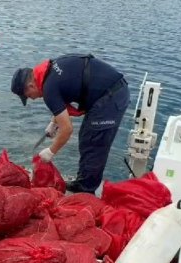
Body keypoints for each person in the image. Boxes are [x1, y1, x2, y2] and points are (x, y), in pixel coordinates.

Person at [10, 54, 129, 194]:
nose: (33, 99)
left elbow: (67, 129)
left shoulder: (49, 89)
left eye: (29, 96)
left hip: (111, 96)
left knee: (93, 142)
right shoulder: (50, 72)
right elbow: (63, 92)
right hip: (108, 91)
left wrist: (50, 151)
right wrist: (53, 123)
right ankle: (83, 183)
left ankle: (86, 190)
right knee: (86, 137)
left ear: (30, 85)